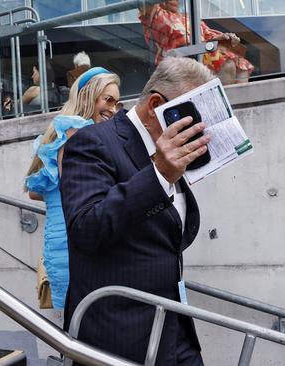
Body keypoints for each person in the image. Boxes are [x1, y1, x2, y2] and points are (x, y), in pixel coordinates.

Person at [60, 57, 213, 365]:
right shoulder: (93, 142)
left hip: (173, 331)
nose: (200, 126)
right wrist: (158, 175)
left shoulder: (163, 149)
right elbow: (86, 229)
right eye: (192, 115)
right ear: (156, 105)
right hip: (118, 339)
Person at [25, 67, 121, 311]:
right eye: (107, 99)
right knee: (84, 323)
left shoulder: (62, 131)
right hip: (73, 243)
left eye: (117, 103)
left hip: (63, 238)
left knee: (77, 324)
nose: (112, 108)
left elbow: (37, 190)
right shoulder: (79, 130)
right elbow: (79, 189)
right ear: (88, 95)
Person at [139, 0, 254, 84]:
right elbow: (143, 5)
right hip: (177, 59)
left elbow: (208, 33)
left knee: (240, 64)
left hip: (200, 53)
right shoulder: (155, 15)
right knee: (227, 64)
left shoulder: (188, 17)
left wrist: (224, 37)